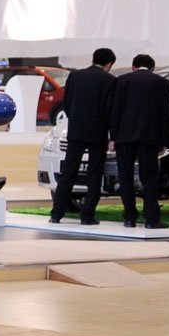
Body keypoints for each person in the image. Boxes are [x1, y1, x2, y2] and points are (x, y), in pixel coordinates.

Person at [49, 48, 116, 225]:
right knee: (94, 174)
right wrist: (111, 134)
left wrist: (75, 119)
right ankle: (87, 216)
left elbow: (67, 103)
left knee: (68, 172)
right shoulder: (109, 80)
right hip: (98, 133)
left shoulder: (75, 76)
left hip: (76, 131)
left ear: (93, 59)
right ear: (109, 64)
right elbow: (110, 109)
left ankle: (56, 214)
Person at [110, 54, 169, 229]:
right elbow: (165, 115)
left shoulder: (122, 81)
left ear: (133, 67)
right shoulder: (162, 83)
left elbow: (115, 111)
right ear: (152, 68)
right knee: (150, 177)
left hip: (124, 137)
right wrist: (163, 141)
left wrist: (113, 137)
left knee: (125, 176)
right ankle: (151, 219)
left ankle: (130, 218)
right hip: (149, 137)